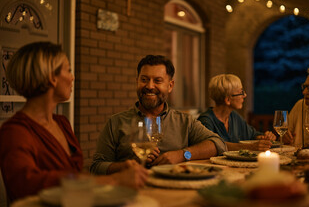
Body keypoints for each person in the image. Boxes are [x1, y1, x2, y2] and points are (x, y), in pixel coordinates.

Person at [0, 42, 148, 202]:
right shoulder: (15, 132)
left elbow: (74, 175)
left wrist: (120, 169)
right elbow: (25, 185)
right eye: (68, 70)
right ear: (52, 78)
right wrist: (115, 180)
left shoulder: (62, 123)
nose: (72, 77)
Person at [90, 55, 227, 175]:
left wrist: (182, 155)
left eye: (157, 80)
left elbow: (218, 144)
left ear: (170, 85)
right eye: (144, 79)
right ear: (137, 81)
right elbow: (96, 167)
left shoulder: (184, 121)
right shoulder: (116, 122)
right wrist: (125, 166)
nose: (150, 86)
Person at [197, 74, 276, 151]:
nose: (245, 95)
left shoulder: (234, 116)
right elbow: (212, 146)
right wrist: (250, 147)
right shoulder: (205, 121)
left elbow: (253, 135)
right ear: (228, 100)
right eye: (241, 92)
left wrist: (264, 137)